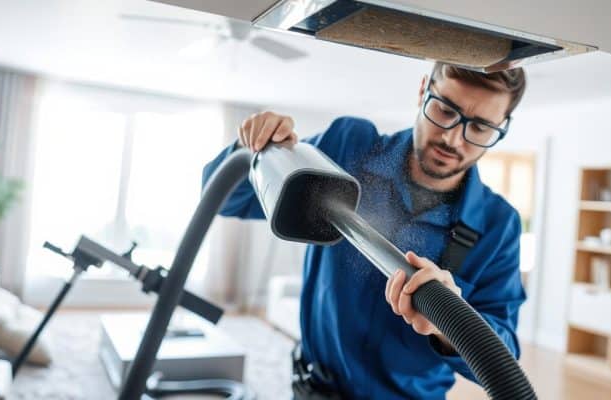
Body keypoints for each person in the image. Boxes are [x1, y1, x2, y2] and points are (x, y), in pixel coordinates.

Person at [202, 63, 527, 399]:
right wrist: (255, 150)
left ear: (501, 126)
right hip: (313, 389)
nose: (452, 137)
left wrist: (447, 326)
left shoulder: (497, 225)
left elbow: (503, 353)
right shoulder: (349, 147)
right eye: (445, 110)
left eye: (480, 127)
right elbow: (226, 199)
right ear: (422, 91)